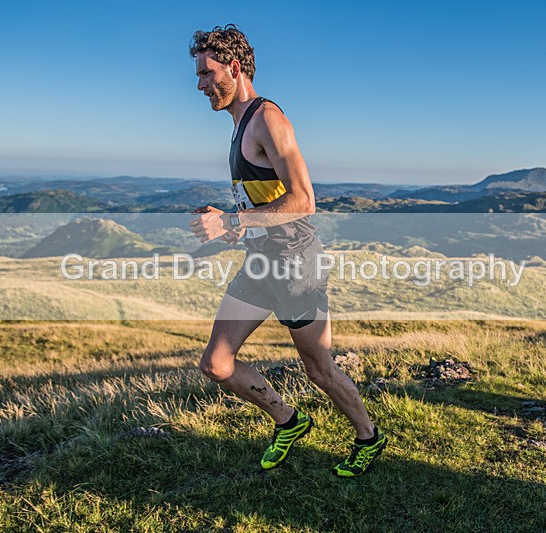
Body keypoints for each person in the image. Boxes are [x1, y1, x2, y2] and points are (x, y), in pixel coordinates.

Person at [188, 24, 386, 477]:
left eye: (206, 73)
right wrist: (235, 224)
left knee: (319, 369)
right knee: (217, 364)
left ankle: (369, 437)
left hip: (297, 265)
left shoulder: (266, 118)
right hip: (260, 262)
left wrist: (233, 221)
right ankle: (288, 421)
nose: (199, 85)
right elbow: (265, 201)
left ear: (234, 69)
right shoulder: (239, 124)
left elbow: (303, 200)